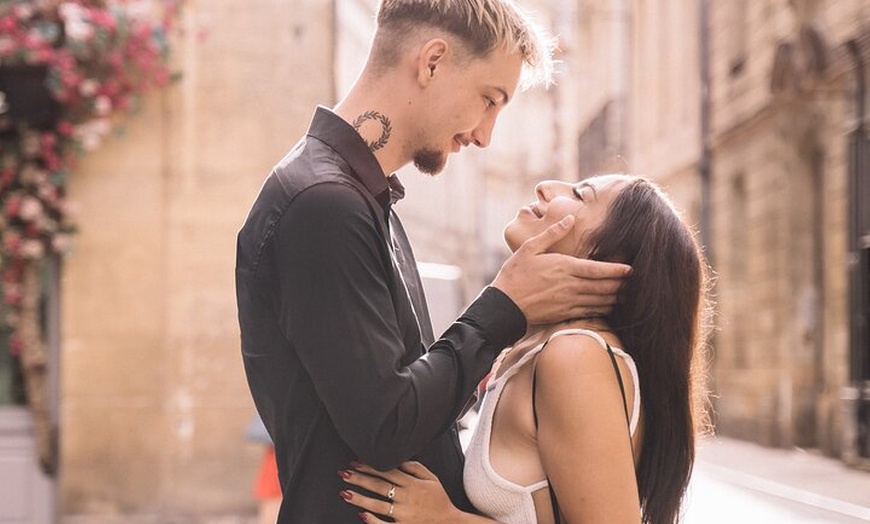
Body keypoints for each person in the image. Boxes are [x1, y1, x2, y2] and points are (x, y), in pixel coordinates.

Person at [234, 1, 631, 522]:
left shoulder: (360, 201)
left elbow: (412, 401)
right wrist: (503, 307)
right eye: (489, 99)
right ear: (433, 62)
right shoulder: (324, 203)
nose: (485, 135)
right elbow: (386, 426)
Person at [339, 174, 712, 524]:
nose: (546, 187)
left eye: (580, 195)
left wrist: (445, 517)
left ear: (608, 261)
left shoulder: (576, 357)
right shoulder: (532, 347)